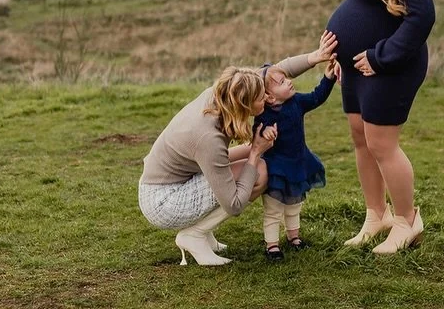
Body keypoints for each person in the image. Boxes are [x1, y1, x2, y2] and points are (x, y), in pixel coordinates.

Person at [138, 31, 338, 266]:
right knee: (260, 171)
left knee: (254, 164)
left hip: (182, 176)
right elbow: (233, 204)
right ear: (245, 105)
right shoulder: (208, 137)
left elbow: (275, 72)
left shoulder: (229, 90)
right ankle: (194, 235)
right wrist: (254, 152)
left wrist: (314, 57)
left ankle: (202, 231)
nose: (267, 98)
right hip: (164, 201)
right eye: (261, 97)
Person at [325, 0, 436, 254]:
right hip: (356, 68)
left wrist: (380, 56)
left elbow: (422, 17)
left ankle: (407, 220)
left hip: (390, 65)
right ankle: (377, 214)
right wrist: (336, 55)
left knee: (381, 144)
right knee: (360, 137)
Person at [253, 58, 340, 262]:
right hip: (276, 168)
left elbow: (317, 97)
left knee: (294, 205)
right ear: (270, 98)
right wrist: (265, 132)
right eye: (282, 82)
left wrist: (327, 78)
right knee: (274, 209)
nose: (289, 82)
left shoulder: (297, 102)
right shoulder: (263, 116)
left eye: (286, 78)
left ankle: (294, 237)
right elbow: (255, 133)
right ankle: (272, 245)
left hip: (298, 162)